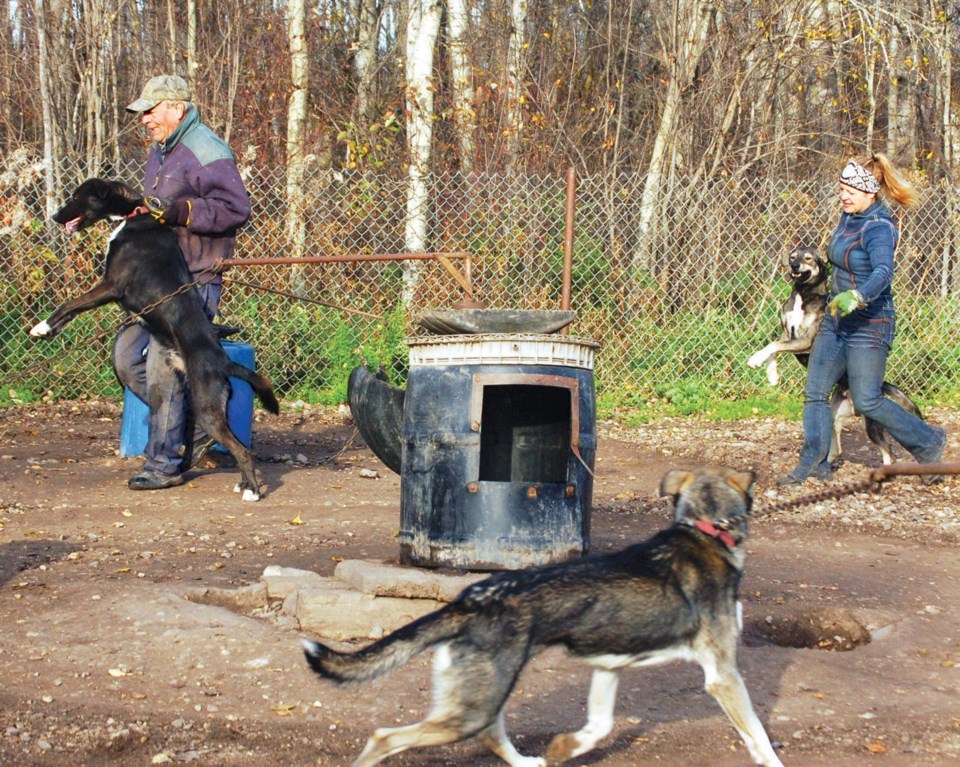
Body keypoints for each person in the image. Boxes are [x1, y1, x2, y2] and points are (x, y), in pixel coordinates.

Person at [116, 74, 251, 490]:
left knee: (163, 367)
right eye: (142, 113)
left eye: (151, 111)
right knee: (127, 358)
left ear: (176, 107)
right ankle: (192, 431)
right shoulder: (161, 152)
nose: (145, 120)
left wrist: (180, 211)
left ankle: (163, 463)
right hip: (157, 278)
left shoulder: (206, 150)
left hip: (193, 280)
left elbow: (234, 209)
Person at [779, 153, 946, 486]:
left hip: (871, 323)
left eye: (851, 190)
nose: (844, 195)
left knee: (867, 398)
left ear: (871, 193)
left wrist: (858, 295)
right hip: (837, 320)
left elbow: (884, 271)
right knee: (815, 391)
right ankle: (813, 464)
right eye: (842, 188)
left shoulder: (879, 227)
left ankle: (928, 443)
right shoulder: (847, 217)